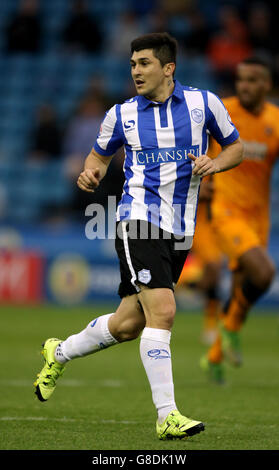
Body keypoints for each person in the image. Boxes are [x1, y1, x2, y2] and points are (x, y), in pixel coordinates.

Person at [33, 32, 243, 440]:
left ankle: (57, 352)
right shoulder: (122, 113)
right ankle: (167, 415)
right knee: (163, 310)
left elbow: (236, 147)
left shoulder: (204, 104)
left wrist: (214, 163)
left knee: (130, 324)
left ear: (169, 68)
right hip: (137, 220)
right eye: (132, 65)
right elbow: (98, 155)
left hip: (181, 228)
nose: (136, 72)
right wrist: (90, 171)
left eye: (144, 63)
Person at [200, 56, 278, 384]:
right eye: (241, 79)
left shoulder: (276, 120)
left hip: (259, 216)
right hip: (226, 210)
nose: (245, 85)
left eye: (253, 79)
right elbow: (197, 141)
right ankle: (228, 330)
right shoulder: (222, 110)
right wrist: (203, 176)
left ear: (267, 85)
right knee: (264, 273)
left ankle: (214, 357)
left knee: (238, 294)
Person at [177, 177, 225, 345]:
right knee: (214, 267)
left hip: (210, 223)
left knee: (214, 272)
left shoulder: (222, 157)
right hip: (187, 220)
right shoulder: (194, 154)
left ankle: (210, 327)